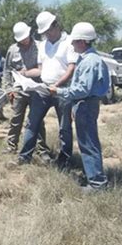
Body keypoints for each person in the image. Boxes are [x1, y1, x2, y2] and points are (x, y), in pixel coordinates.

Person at [49, 22, 109, 192]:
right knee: (88, 143)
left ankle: (97, 184)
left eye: (74, 41)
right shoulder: (90, 59)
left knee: (88, 144)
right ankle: (95, 178)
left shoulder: (90, 62)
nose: (72, 44)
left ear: (83, 41)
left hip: (87, 105)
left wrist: (59, 91)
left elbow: (82, 90)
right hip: (86, 105)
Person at [17, 11, 78, 167]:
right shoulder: (43, 45)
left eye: (48, 31)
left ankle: (64, 159)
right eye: (43, 32)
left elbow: (71, 69)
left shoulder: (70, 41)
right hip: (43, 88)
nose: (46, 35)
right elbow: (40, 69)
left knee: (64, 127)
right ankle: (24, 157)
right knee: (32, 123)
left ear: (55, 25)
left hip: (62, 89)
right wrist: (24, 76)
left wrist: (56, 86)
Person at [3, 22, 51, 161]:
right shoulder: (12, 50)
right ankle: (12, 146)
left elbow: (44, 67)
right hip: (19, 89)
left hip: (36, 89)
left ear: (30, 33)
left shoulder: (40, 47)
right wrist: (8, 89)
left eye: (25, 37)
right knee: (16, 118)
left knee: (37, 120)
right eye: (21, 39)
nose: (24, 41)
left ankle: (41, 149)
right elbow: (7, 70)